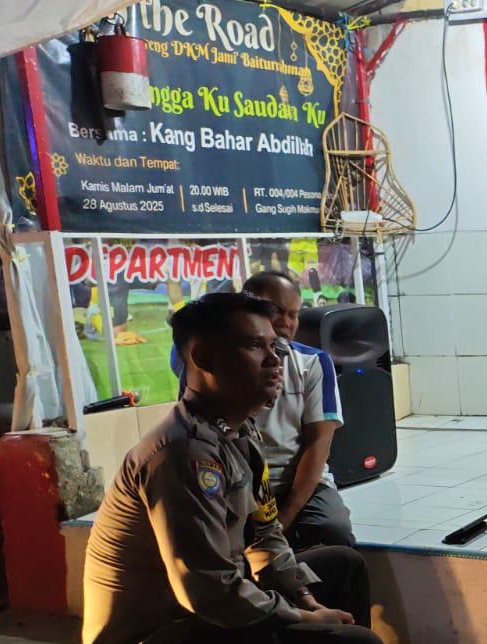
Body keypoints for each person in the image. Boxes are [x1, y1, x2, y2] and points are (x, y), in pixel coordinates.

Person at [83, 292, 377, 644]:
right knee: (357, 641)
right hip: (164, 630)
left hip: (208, 609)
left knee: (344, 565)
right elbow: (209, 591)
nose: (275, 360)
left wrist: (306, 600)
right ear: (203, 358)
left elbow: (265, 535)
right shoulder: (183, 453)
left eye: (275, 346)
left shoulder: (239, 432)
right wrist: (304, 618)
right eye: (255, 346)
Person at [170, 270, 352, 549]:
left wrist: (284, 517)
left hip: (291, 484)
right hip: (237, 481)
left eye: (295, 314)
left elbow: (318, 444)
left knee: (333, 535)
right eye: (277, 312)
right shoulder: (213, 370)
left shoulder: (312, 363)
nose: (287, 324)